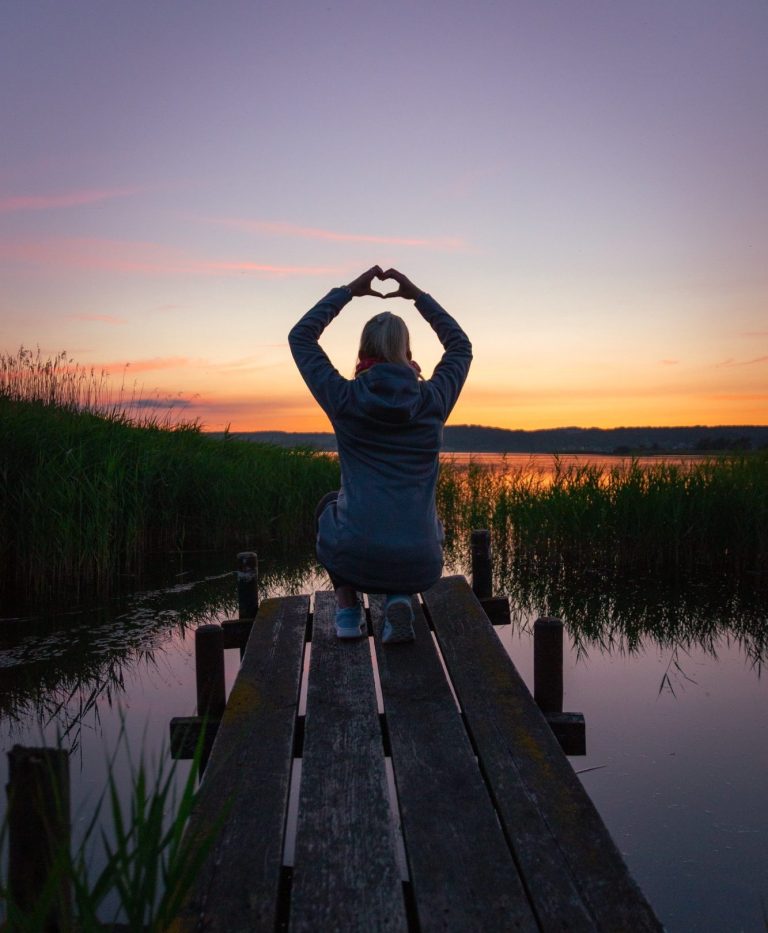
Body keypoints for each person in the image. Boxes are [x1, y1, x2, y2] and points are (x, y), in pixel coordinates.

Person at [288, 266, 472, 643]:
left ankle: (347, 610)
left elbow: (301, 337)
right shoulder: (434, 399)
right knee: (413, 521)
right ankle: (399, 599)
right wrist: (418, 295)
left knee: (329, 504)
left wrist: (348, 292)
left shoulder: (345, 398)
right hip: (421, 562)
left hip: (357, 557)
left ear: (363, 351)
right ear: (407, 352)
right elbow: (460, 346)